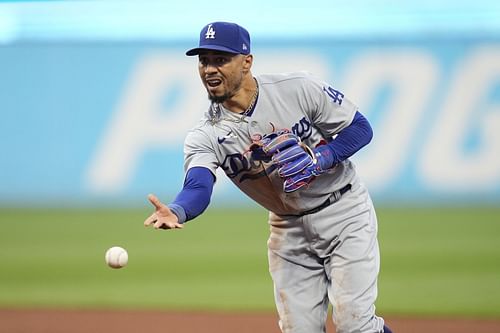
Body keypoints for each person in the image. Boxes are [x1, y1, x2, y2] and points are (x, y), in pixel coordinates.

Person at [144, 21, 393, 333]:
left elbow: (360, 128)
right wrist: (178, 209)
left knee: (355, 326)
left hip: (343, 212)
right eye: (204, 60)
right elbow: (198, 185)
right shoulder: (205, 134)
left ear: (246, 61)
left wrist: (320, 158)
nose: (209, 69)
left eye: (220, 59)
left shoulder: (297, 88)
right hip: (288, 229)